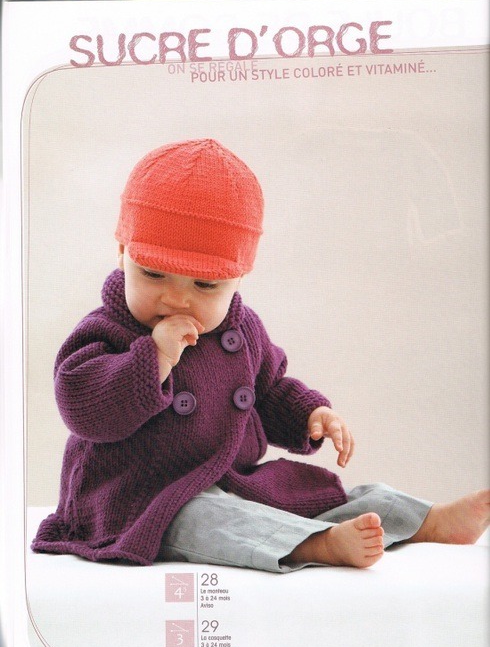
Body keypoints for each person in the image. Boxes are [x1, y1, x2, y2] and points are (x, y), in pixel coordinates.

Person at [32, 138, 490, 572]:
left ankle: (425, 520)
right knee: (205, 519)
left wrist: (309, 414)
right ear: (122, 253)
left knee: (315, 493)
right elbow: (81, 405)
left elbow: (268, 390)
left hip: (234, 478)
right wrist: (152, 359)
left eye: (204, 285)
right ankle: (314, 545)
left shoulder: (241, 330)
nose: (176, 298)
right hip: (138, 498)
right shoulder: (107, 330)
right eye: (153, 274)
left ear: (239, 278)